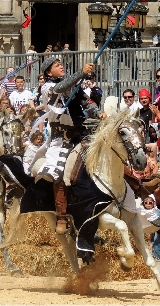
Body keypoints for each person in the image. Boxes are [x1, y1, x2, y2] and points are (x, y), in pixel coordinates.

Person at [32, 57, 95, 235]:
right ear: (48, 72)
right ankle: (61, 215)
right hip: (62, 138)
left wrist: (99, 113)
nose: (61, 66)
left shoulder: (72, 85)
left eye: (61, 64)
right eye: (57, 65)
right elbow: (61, 88)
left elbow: (85, 101)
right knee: (58, 172)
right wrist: (81, 72)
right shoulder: (47, 87)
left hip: (81, 131)